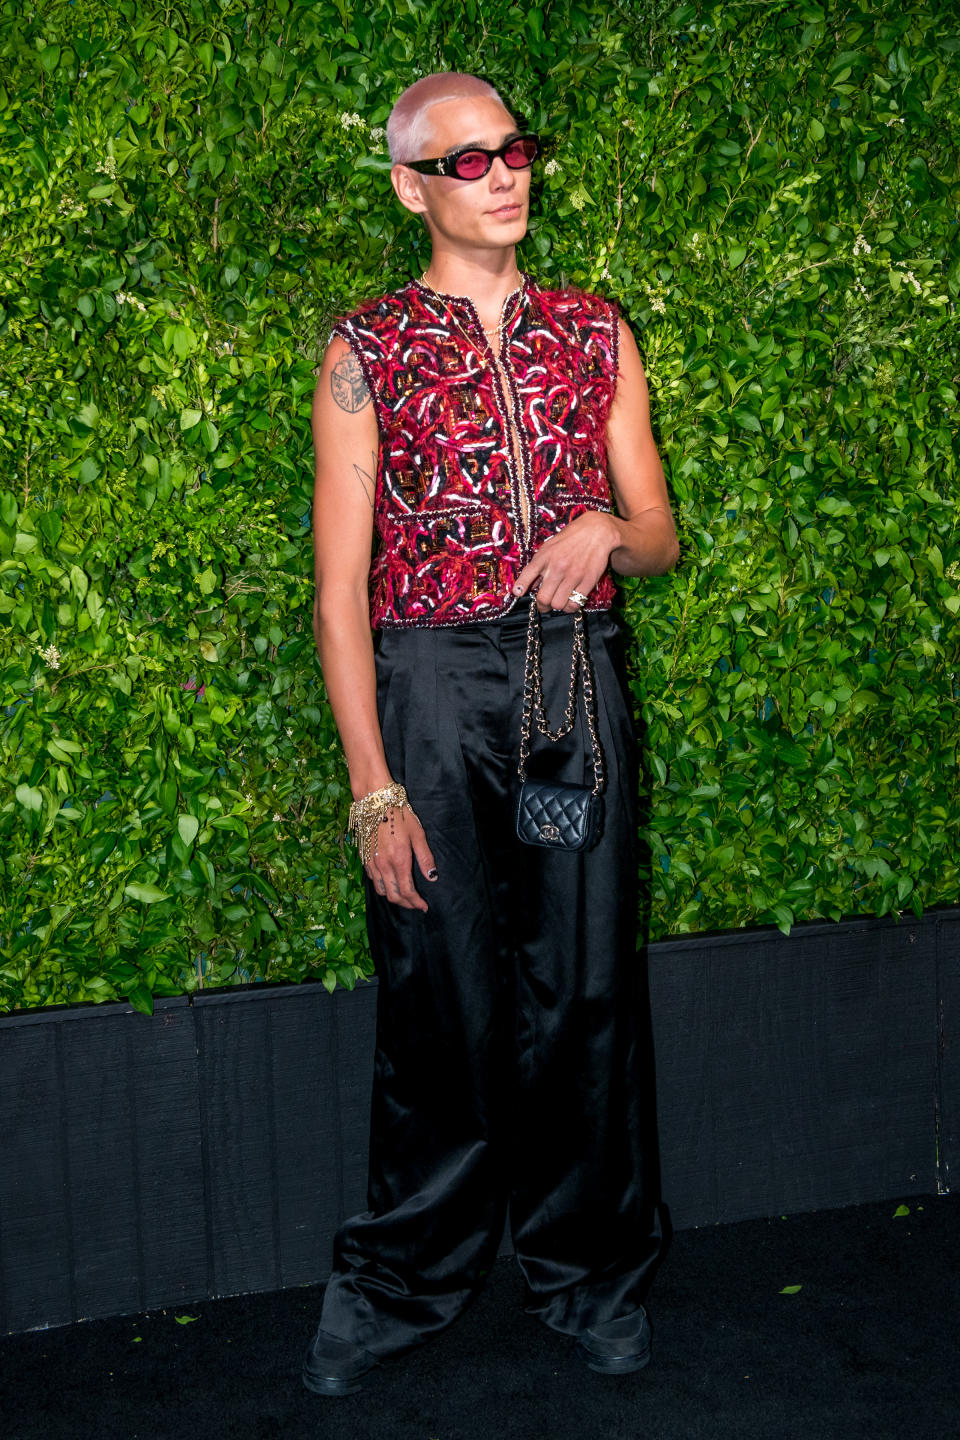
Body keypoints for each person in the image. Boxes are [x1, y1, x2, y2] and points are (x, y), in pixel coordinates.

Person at [302, 71, 680, 1397]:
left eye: (515, 150)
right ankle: (403, 1281)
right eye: (470, 161)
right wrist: (371, 788)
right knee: (440, 992)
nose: (508, 174)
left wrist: (605, 533)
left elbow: (661, 535)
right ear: (413, 186)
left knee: (578, 985)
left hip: (567, 696)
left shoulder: (595, 333)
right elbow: (338, 593)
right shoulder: (367, 350)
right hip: (435, 693)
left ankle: (588, 1270)